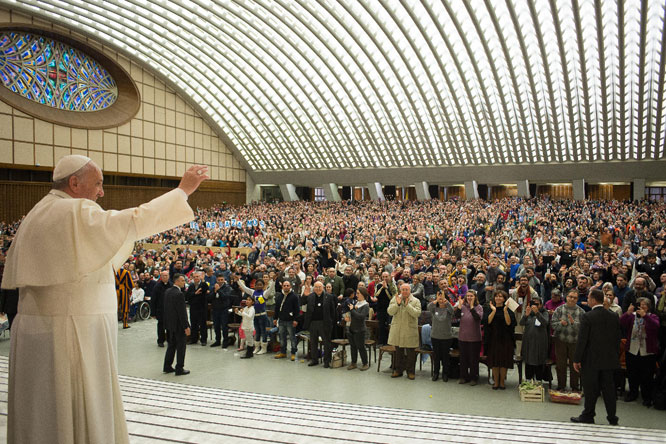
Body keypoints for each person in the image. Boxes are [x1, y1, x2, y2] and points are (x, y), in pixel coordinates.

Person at [1, 155, 206, 444]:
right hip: (70, 333)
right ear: (74, 183)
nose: (102, 192)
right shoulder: (71, 210)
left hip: (41, 332)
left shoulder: (40, 212)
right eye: (97, 184)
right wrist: (182, 191)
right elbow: (133, 221)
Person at [571, 289, 622, 425]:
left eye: (588, 297)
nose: (587, 300)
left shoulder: (587, 317)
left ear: (593, 300)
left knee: (590, 389)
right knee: (609, 390)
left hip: (591, 359)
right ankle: (612, 417)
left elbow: (582, 340)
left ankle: (588, 414)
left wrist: (577, 359)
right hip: (609, 359)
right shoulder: (614, 316)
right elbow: (617, 339)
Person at [620, 297, 660, 406]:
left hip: (647, 351)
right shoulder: (632, 316)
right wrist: (628, 312)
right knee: (632, 373)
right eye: (640, 305)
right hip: (632, 349)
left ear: (648, 307)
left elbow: (656, 326)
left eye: (644, 305)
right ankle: (633, 393)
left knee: (647, 375)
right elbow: (621, 323)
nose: (641, 307)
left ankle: (647, 396)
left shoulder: (652, 316)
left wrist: (645, 316)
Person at [551, 289, 585, 391]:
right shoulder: (559, 309)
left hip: (575, 342)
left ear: (577, 299)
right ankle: (561, 385)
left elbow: (584, 329)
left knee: (574, 365)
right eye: (570, 297)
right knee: (560, 364)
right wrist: (561, 324)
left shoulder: (581, 312)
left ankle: (574, 386)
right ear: (566, 297)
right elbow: (553, 324)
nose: (572, 299)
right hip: (560, 341)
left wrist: (573, 323)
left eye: (574, 298)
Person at [388, 283, 422, 380]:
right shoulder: (395, 299)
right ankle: (398, 370)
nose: (404, 292)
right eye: (403, 290)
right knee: (398, 352)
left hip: (409, 330)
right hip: (398, 330)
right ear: (400, 290)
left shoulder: (416, 301)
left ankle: (410, 372)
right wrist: (397, 304)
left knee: (411, 353)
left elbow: (417, 314)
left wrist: (407, 306)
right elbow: (390, 312)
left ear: (410, 290)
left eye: (406, 289)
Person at [483, 290, 516, 390]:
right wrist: (494, 311)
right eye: (496, 296)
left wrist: (505, 311)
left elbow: (509, 323)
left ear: (504, 299)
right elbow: (487, 322)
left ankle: (502, 382)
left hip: (506, 339)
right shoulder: (490, 309)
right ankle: (496, 382)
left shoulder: (509, 310)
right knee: (495, 361)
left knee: (503, 361)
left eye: (500, 297)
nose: (498, 298)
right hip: (493, 338)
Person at [163, 274, 191, 376]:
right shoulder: (179, 294)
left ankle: (167, 366)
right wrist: (186, 326)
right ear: (176, 281)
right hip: (179, 325)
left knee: (171, 345)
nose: (184, 282)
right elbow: (182, 312)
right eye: (182, 280)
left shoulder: (167, 292)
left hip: (170, 324)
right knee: (181, 347)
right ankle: (179, 368)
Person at [304, 281, 337, 367]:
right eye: (316, 287)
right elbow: (302, 303)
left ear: (323, 288)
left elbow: (333, 311)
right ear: (313, 288)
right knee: (313, 342)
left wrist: (331, 322)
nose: (318, 289)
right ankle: (314, 360)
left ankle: (327, 361)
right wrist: (304, 294)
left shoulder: (329, 297)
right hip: (313, 323)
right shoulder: (310, 296)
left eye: (320, 287)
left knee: (326, 343)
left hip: (325, 323)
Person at [455, 290, 483, 385]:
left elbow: (477, 318)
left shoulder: (479, 307)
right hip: (463, 337)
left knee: (473, 359)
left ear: (475, 297)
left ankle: (474, 378)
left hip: (474, 338)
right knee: (463, 359)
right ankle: (463, 376)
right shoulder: (462, 307)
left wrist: (471, 307)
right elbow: (456, 316)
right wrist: (459, 306)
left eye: (471, 296)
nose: (469, 298)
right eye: (468, 296)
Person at [519, 296, 550, 382]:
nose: (535, 306)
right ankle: (528, 380)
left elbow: (545, 323)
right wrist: (526, 315)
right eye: (533, 304)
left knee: (539, 361)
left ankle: (538, 381)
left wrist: (537, 313)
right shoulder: (528, 312)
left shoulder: (544, 312)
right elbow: (521, 323)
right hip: (528, 342)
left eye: (537, 304)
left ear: (541, 305)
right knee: (528, 362)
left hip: (540, 342)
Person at [428, 290, 454, 381]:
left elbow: (453, 311)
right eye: (439, 298)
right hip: (435, 336)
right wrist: (436, 300)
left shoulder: (448, 309)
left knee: (445, 357)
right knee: (436, 356)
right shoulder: (434, 308)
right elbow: (429, 307)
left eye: (442, 298)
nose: (441, 300)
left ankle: (445, 373)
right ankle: (436, 373)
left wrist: (446, 302)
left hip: (446, 337)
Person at [274, 280, 300, 360]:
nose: (286, 287)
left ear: (290, 287)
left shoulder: (294, 297)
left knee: (292, 338)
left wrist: (296, 320)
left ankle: (293, 353)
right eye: (284, 285)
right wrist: (275, 318)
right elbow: (277, 308)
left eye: (287, 285)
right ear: (282, 287)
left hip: (290, 321)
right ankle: (283, 352)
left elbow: (297, 310)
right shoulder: (279, 296)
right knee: (282, 338)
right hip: (281, 320)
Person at [347, 288, 370, 371]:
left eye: (358, 293)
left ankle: (365, 363)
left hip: (360, 329)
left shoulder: (365, 305)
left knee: (361, 347)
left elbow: (360, 317)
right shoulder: (357, 303)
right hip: (352, 327)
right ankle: (353, 363)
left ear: (363, 294)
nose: (356, 295)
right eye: (356, 293)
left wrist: (352, 310)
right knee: (353, 347)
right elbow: (354, 315)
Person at [208, 274, 233, 347]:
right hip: (215, 309)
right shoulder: (213, 287)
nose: (220, 281)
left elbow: (225, 297)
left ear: (224, 280)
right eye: (219, 280)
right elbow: (209, 298)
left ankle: (225, 341)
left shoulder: (227, 288)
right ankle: (217, 340)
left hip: (224, 309)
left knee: (224, 326)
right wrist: (215, 291)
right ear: (216, 280)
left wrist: (218, 290)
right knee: (216, 326)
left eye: (222, 280)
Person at [185, 271, 209, 345]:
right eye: (194, 277)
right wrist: (195, 293)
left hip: (202, 308)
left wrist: (194, 296)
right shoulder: (191, 286)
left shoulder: (203, 284)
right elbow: (188, 296)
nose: (196, 278)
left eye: (197, 277)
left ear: (200, 277)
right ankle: (194, 339)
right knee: (194, 324)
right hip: (193, 308)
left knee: (202, 324)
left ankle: (203, 340)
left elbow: (204, 293)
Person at [152, 270, 171, 347]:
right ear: (161, 277)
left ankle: (170, 340)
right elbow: (153, 299)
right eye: (163, 276)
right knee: (161, 326)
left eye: (166, 276)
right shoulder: (157, 286)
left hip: (170, 310)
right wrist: (153, 312)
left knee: (170, 325)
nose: (165, 277)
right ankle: (160, 340)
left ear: (168, 276)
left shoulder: (171, 285)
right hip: (160, 310)